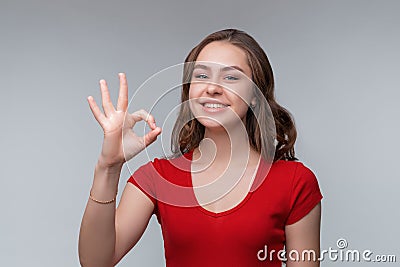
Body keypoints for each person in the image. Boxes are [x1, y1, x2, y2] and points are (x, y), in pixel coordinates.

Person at [79, 29, 323, 267]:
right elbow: (95, 261)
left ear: (255, 95)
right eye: (202, 76)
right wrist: (108, 166)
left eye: (231, 77)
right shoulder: (158, 177)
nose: (212, 88)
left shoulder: (296, 182)